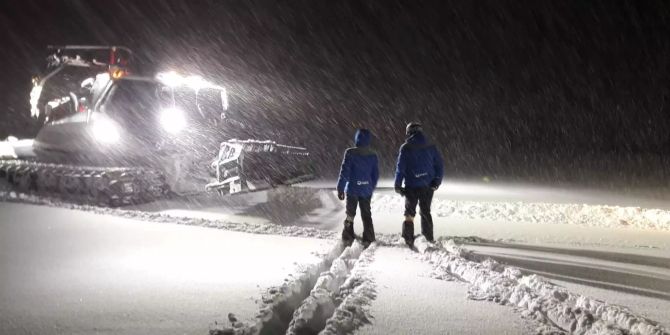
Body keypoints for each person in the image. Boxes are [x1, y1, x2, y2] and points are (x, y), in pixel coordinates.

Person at [394, 122, 444, 245]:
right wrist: (436, 182)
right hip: (428, 185)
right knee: (425, 211)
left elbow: (401, 169)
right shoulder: (431, 146)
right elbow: (440, 166)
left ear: (409, 132)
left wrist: (398, 185)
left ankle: (408, 239)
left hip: (411, 186)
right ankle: (428, 239)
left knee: (409, 213)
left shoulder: (406, 147)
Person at [336, 128, 379, 245]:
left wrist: (340, 188)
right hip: (366, 190)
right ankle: (369, 237)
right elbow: (375, 175)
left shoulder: (350, 153)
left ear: (357, 138)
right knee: (366, 214)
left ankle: (347, 236)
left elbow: (344, 172)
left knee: (350, 214)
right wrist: (371, 186)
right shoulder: (373, 155)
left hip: (352, 190)